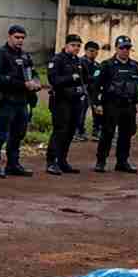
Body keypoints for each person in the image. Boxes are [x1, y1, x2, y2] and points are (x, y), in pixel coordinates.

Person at [0, 25, 41, 178]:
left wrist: (36, 82)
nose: (20, 41)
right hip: (6, 101)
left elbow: (34, 73)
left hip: (22, 101)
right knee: (0, 134)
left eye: (22, 38)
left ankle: (13, 164)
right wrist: (22, 84)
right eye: (17, 37)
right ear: (9, 36)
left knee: (18, 134)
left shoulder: (25, 56)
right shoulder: (0, 54)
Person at [94, 35, 138, 174]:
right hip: (111, 105)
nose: (125, 50)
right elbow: (96, 86)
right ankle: (101, 161)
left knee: (127, 134)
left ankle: (122, 161)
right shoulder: (107, 65)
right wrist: (97, 104)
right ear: (116, 48)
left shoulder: (134, 66)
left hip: (129, 106)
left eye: (128, 48)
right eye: (122, 48)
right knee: (107, 133)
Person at [45, 34, 89, 175]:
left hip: (76, 101)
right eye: (73, 45)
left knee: (70, 131)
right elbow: (53, 80)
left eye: (78, 46)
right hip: (61, 101)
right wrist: (70, 78)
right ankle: (51, 162)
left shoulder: (79, 61)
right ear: (66, 45)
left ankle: (62, 161)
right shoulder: (57, 60)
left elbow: (86, 79)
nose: (76, 48)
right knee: (60, 131)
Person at [77, 41, 102, 141]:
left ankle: (96, 131)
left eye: (96, 52)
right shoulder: (80, 62)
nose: (93, 54)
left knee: (98, 111)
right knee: (81, 111)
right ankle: (79, 132)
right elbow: (83, 78)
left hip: (94, 91)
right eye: (91, 51)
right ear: (86, 51)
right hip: (84, 90)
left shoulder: (97, 65)